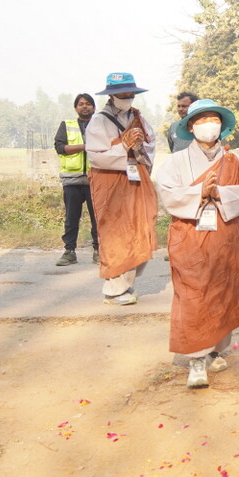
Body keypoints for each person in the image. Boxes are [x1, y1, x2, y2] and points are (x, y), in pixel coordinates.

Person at [155, 99, 239, 390]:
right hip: (190, 235)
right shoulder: (175, 162)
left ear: (222, 126)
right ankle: (196, 359)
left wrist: (220, 193)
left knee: (223, 291)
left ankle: (215, 348)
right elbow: (169, 195)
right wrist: (199, 193)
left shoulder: (234, 160)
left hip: (226, 235)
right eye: (201, 120)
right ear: (190, 126)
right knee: (193, 294)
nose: (208, 125)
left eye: (213, 119)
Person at [85, 72, 157, 306]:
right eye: (123, 93)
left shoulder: (138, 117)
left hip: (136, 178)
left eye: (130, 93)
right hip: (110, 181)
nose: (127, 97)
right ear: (112, 94)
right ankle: (114, 290)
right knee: (116, 232)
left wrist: (138, 145)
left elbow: (151, 144)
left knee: (141, 226)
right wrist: (122, 147)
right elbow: (96, 157)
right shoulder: (99, 120)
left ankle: (126, 284)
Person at [53, 93, 99, 266]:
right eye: (80, 104)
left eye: (88, 104)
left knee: (98, 219)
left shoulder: (101, 125)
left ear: (94, 107)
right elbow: (59, 147)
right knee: (71, 218)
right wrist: (85, 147)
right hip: (72, 180)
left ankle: (98, 251)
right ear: (75, 108)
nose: (84, 106)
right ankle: (69, 252)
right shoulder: (67, 125)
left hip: (95, 179)